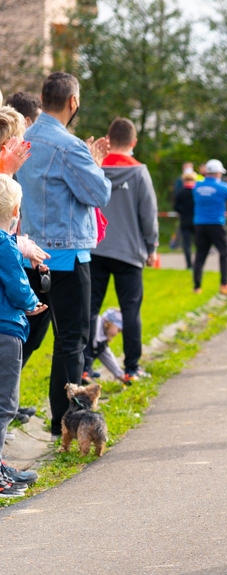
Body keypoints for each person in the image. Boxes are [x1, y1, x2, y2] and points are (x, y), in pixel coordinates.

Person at [16, 72, 112, 439]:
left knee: (25, 336)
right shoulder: (68, 147)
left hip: (27, 255)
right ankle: (65, 423)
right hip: (67, 257)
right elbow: (98, 194)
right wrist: (94, 162)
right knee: (71, 339)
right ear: (73, 103)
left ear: (42, 98)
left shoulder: (22, 139)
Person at [87, 117, 158, 385]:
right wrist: (152, 246)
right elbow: (148, 214)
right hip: (129, 252)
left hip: (95, 248)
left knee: (91, 309)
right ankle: (132, 367)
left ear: (108, 138)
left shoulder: (96, 166)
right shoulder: (139, 172)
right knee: (131, 310)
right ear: (134, 142)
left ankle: (84, 366)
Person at [0, 173, 48, 496]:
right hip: (6, 331)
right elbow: (18, 287)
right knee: (4, 404)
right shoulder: (6, 245)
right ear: (16, 211)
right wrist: (33, 302)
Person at [192, 159, 227, 295]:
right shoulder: (222, 186)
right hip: (216, 224)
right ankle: (224, 284)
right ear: (218, 173)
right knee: (224, 253)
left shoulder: (197, 186)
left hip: (199, 224)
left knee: (200, 255)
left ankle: (197, 287)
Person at [82, 308, 126, 383]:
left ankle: (88, 371)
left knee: (96, 351)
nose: (117, 334)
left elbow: (107, 356)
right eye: (118, 330)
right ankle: (84, 372)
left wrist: (120, 374)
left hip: (84, 360)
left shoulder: (101, 339)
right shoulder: (94, 329)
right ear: (110, 323)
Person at [174, 165, 197, 270]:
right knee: (198, 244)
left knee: (186, 244)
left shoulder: (180, 192)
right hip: (196, 221)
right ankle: (198, 263)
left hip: (185, 220)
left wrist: (182, 212)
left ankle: (189, 264)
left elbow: (176, 207)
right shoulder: (196, 192)